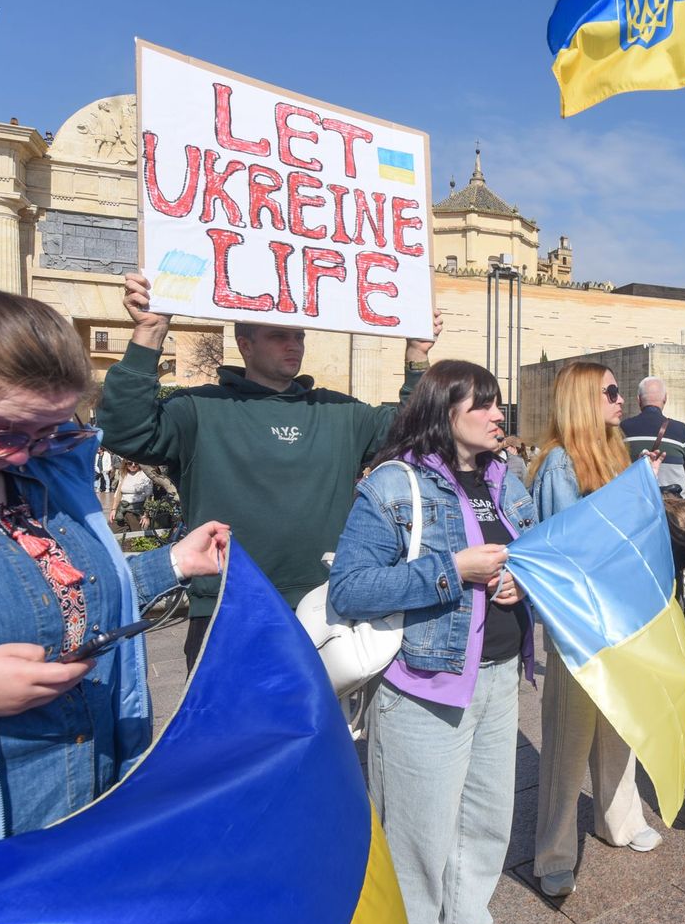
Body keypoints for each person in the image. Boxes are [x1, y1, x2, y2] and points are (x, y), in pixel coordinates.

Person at [0, 275, 228, 873]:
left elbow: (54, 594)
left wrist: (168, 565)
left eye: (49, 432)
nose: (20, 452)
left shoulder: (48, 469)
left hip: (90, 813)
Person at [98, 272, 439, 669]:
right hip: (228, 606)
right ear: (245, 344)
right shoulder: (199, 409)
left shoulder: (339, 412)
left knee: (321, 731)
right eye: (280, 336)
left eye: (300, 337)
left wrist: (417, 357)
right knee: (228, 731)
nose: (294, 345)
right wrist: (150, 333)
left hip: (325, 608)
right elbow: (124, 432)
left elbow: (416, 432)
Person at [327, 360, 532, 924]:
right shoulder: (395, 482)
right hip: (424, 684)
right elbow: (351, 586)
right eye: (485, 405)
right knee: (419, 833)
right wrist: (452, 571)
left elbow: (529, 552)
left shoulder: (504, 478)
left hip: (499, 676)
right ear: (446, 411)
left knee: (487, 821)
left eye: (499, 404)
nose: (500, 416)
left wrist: (522, 583)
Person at [529, 363, 663, 898]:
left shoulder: (614, 452)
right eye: (610, 392)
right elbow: (565, 550)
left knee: (619, 727)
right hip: (580, 621)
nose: (620, 401)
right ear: (585, 398)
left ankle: (620, 820)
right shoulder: (559, 464)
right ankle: (554, 853)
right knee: (568, 740)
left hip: (620, 616)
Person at [621, 375, 685, 494]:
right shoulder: (681, 430)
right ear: (665, 398)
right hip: (675, 503)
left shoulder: (623, 428)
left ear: (638, 399)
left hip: (638, 501)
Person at [112, 460, 153, 531]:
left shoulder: (145, 475)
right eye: (130, 463)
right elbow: (118, 493)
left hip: (136, 511)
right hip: (121, 510)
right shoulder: (123, 474)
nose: (133, 465)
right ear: (125, 464)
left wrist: (146, 516)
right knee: (110, 530)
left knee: (136, 535)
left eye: (136, 463)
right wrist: (113, 509)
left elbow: (148, 497)